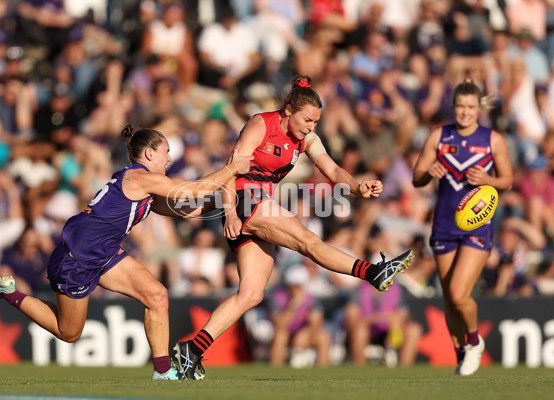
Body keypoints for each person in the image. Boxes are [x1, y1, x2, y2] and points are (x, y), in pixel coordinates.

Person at [174, 75, 414, 379]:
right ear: (289, 110)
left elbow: (332, 169)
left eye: (316, 121)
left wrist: (357, 186)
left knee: (250, 294)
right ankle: (371, 272)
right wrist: (231, 212)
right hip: (244, 200)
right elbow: (231, 170)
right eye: (308, 120)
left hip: (258, 207)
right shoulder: (261, 124)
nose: (311, 127)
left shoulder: (307, 139)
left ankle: (191, 350)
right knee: (307, 241)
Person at [0, 124, 253, 381]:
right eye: (166, 152)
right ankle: (8, 292)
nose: (169, 159)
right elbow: (193, 189)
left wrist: (230, 205)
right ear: (149, 154)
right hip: (77, 257)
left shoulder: (145, 184)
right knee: (69, 332)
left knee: (157, 295)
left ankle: (162, 371)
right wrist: (232, 168)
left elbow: (186, 209)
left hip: (104, 253)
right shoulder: (139, 177)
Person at [412, 77, 513, 375]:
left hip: (477, 226)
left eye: (470, 107)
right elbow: (416, 176)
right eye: (460, 106)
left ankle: (473, 342)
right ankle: (461, 353)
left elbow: (507, 180)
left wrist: (489, 181)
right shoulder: (438, 137)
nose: (465, 112)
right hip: (443, 224)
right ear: (453, 106)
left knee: (459, 293)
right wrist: (429, 172)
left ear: (478, 108)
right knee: (449, 299)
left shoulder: (492, 139)